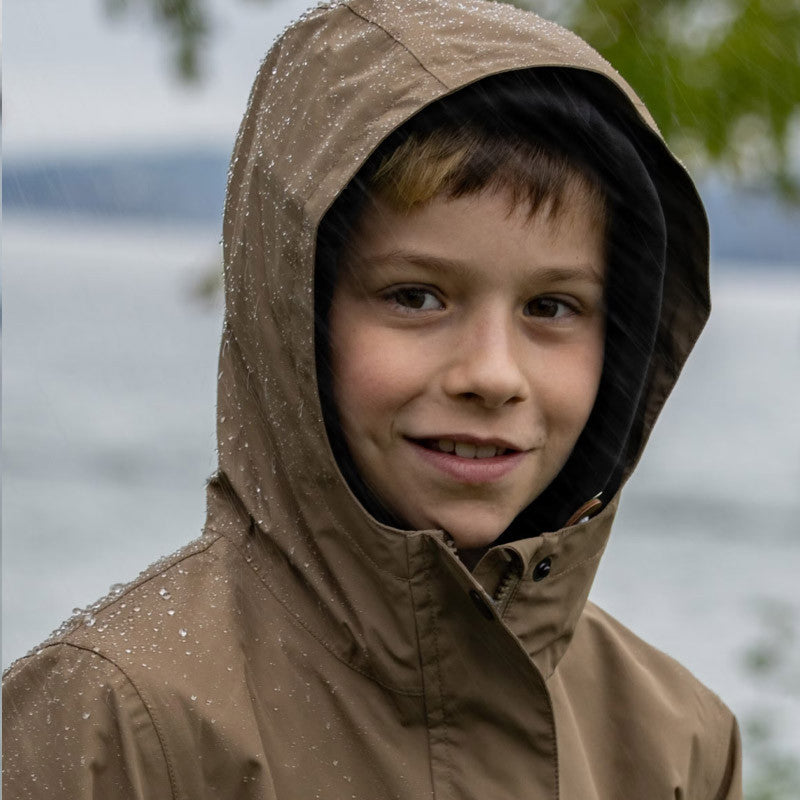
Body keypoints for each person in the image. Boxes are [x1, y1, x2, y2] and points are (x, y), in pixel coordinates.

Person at [3, 0, 742, 797]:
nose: (492, 374)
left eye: (551, 308)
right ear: (298, 318)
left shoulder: (679, 740)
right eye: (417, 297)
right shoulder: (112, 721)